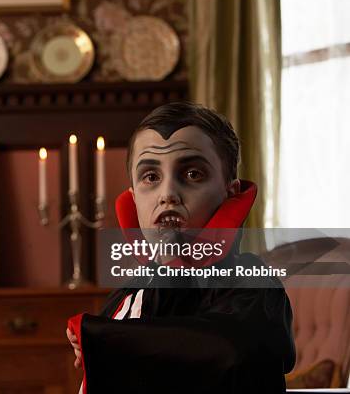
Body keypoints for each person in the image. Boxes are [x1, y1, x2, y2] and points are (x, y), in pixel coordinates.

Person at [66, 102, 295, 393]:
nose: (168, 194)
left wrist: (99, 337)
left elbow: (230, 350)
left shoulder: (251, 279)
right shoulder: (131, 290)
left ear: (230, 192)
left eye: (192, 174)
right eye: (151, 177)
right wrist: (90, 344)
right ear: (133, 199)